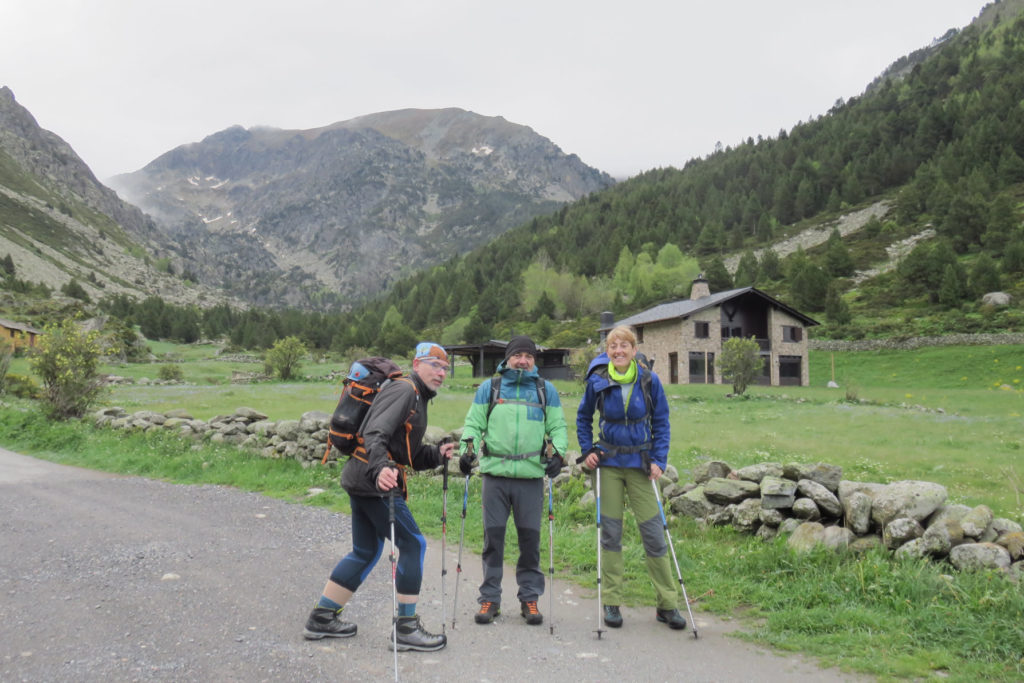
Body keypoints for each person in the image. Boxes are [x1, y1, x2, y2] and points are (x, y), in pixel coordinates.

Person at [303, 342, 456, 651]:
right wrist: (380, 469)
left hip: (362, 476)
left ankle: (322, 617)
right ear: (417, 363)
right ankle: (406, 628)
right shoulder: (405, 390)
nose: (440, 373)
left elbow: (407, 454)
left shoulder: (416, 394)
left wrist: (437, 454)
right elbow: (375, 433)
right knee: (413, 544)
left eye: (444, 368)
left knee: (365, 551)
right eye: (434, 365)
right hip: (374, 480)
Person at [576, 325, 687, 630]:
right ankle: (611, 603)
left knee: (653, 533)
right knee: (611, 534)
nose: (619, 351)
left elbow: (661, 422)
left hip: (641, 464)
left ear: (634, 350)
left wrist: (659, 460)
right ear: (607, 351)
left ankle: (667, 605)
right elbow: (584, 418)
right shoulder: (597, 381)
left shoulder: (649, 381)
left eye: (625, 346)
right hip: (609, 464)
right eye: (613, 346)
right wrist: (587, 450)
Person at [458, 335, 568, 626]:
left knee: (530, 541)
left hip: (531, 478)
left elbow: (557, 426)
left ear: (534, 361)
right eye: (517, 355)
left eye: (528, 356)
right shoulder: (490, 388)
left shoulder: (546, 391)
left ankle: (529, 599)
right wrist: (466, 450)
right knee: (493, 540)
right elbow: (473, 423)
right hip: (495, 476)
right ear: (507, 359)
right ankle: (490, 599)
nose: (523, 360)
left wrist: (557, 454)